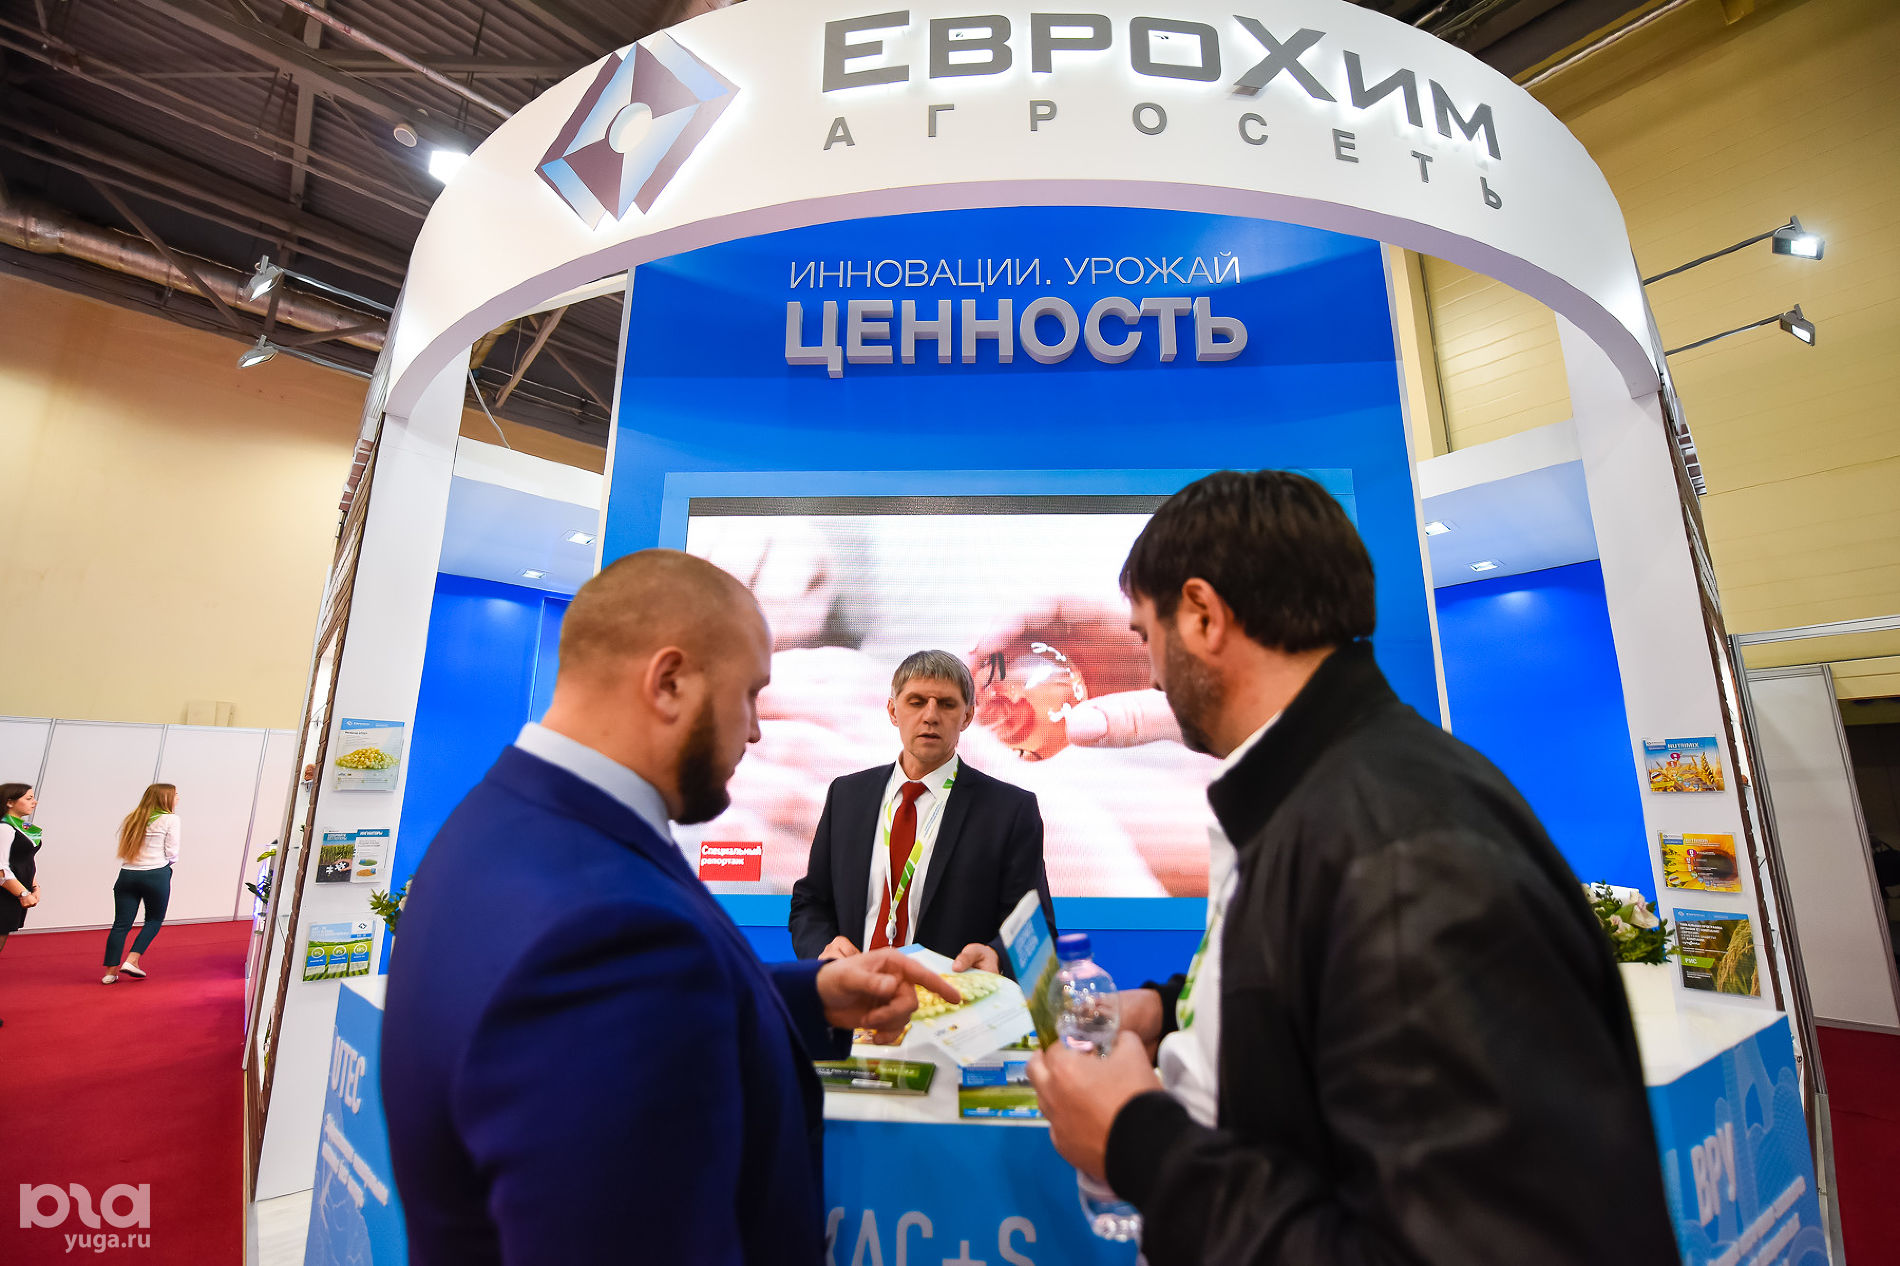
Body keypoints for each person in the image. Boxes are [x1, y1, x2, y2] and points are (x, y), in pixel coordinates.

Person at [1025, 470, 1679, 1265]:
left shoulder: (1400, 850)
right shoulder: (1334, 796)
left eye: (1143, 637)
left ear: (1202, 615)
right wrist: (1163, 1011)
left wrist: (1140, 1142)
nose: (1152, 674)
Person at [382, 549, 958, 1266]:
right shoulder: (606, 930)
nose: (755, 731)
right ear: (670, 682)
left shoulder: (503, 822)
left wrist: (812, 995)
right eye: (749, 695)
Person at [789, 649, 1055, 975]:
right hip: (855, 997)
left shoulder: (1009, 810)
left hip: (954, 1001)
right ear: (893, 710)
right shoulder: (847, 796)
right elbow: (810, 903)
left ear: (968, 716)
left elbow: (1035, 928)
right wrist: (823, 948)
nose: (930, 716)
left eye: (946, 704)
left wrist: (996, 958)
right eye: (916, 702)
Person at [103, 783, 180, 984]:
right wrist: (166, 865)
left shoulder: (134, 817)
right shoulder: (171, 819)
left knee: (121, 924)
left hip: (127, 874)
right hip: (155, 873)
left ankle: (110, 972)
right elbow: (172, 852)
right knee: (154, 920)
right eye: (175, 794)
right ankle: (132, 959)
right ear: (165, 798)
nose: (178, 798)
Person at [1, 782, 46, 1028]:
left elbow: (25, 860)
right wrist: (22, 893)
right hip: (5, 895)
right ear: (9, 802)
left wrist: (34, 886)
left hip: (15, 894)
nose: (34, 802)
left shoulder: (23, 828)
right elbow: (1, 869)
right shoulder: (4, 829)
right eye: (28, 798)